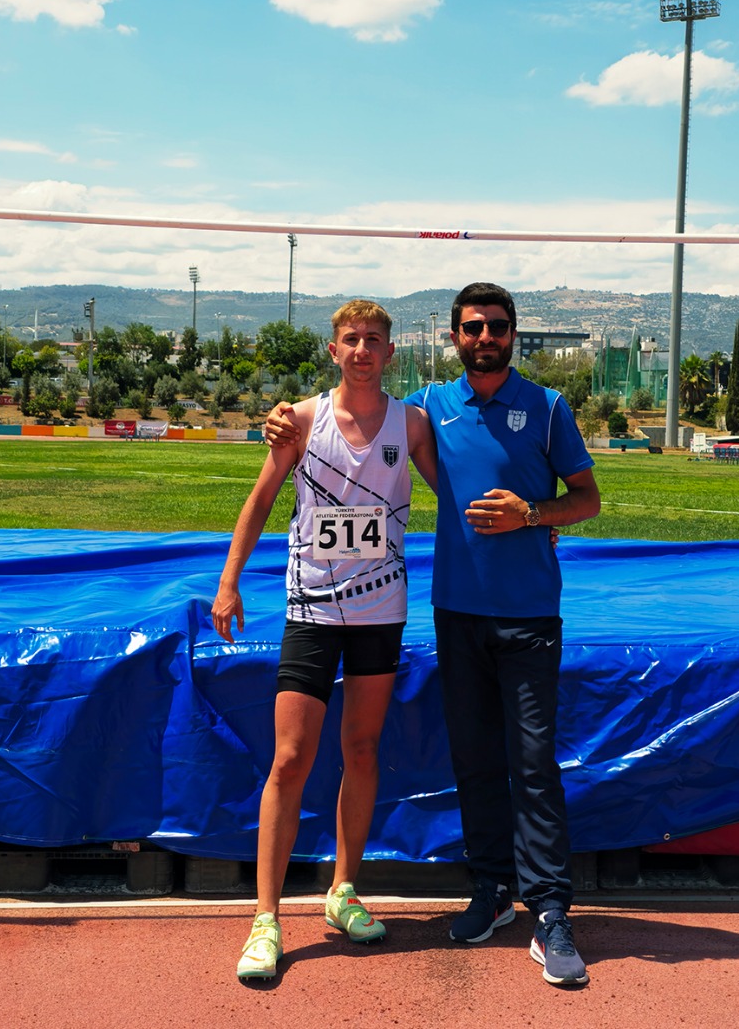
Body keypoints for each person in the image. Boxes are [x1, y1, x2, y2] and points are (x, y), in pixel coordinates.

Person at [264, 281, 601, 987]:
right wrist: (281, 420)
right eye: (473, 326)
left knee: (533, 766)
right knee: (476, 761)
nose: (486, 336)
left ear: (514, 334)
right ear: (454, 337)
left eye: (498, 326)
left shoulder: (547, 409)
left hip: (530, 616)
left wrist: (533, 513)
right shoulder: (427, 410)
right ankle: (490, 894)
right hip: (456, 611)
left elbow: (588, 498)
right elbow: (357, 411)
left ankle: (549, 911)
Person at [213, 299, 438, 982]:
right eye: (351, 339)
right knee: (290, 758)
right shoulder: (303, 421)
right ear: (333, 351)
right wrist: (229, 583)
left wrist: (528, 521)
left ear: (391, 353)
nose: (363, 349)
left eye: (374, 340)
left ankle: (342, 891)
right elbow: (260, 498)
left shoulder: (413, 424)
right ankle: (266, 918)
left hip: (379, 610)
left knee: (362, 748)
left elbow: (456, 502)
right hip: (311, 610)